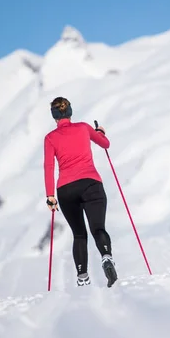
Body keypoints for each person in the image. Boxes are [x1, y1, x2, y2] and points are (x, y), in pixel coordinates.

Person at [43, 97, 118, 288]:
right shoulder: (84, 128)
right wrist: (100, 132)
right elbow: (105, 144)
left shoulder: (50, 138)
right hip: (91, 183)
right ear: (70, 112)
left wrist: (50, 196)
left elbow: (49, 167)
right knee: (98, 228)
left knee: (79, 234)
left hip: (66, 190)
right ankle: (106, 257)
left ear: (54, 116)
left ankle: (82, 276)